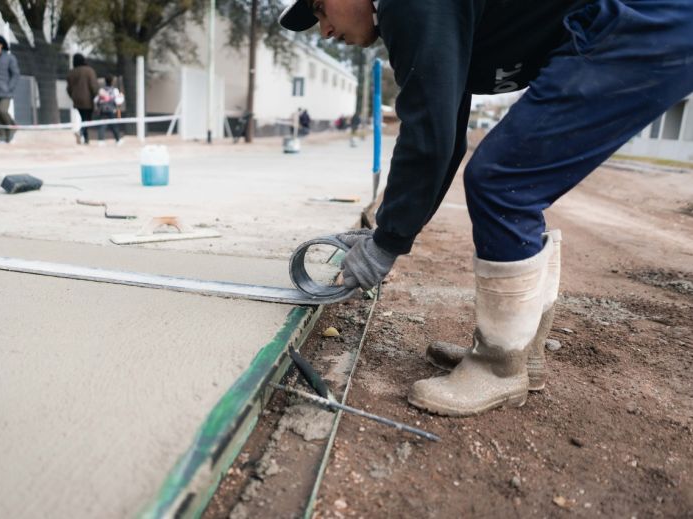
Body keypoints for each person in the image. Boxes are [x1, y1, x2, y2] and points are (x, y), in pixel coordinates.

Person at [279, 0, 693, 417]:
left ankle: (499, 368)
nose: (325, 30)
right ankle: (520, 353)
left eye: (320, 8)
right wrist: (388, 233)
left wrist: (387, 242)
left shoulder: (407, 6)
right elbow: (444, 133)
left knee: (505, 180)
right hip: (635, 26)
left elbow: (429, 135)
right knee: (514, 175)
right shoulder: (424, 17)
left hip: (643, 23)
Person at [66, 53, 98, 145]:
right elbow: (94, 86)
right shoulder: (89, 71)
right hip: (88, 99)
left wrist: (73, 96)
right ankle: (81, 132)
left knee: (83, 118)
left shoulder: (72, 72)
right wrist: (96, 96)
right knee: (87, 119)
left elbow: (69, 88)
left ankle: (85, 138)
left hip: (76, 100)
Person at [94, 75, 124, 146]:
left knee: (102, 125)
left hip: (102, 110)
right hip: (111, 109)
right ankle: (118, 140)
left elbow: (96, 100)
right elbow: (118, 101)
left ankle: (101, 141)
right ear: (112, 81)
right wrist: (121, 98)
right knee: (114, 125)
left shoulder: (101, 90)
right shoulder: (114, 90)